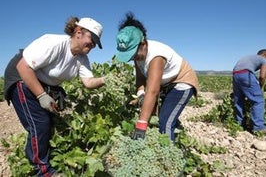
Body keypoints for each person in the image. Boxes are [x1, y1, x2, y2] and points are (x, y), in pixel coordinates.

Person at [4, 16, 107, 176]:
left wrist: (106, 80)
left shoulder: (82, 58)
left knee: (55, 118)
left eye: (96, 43)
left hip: (43, 81)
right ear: (78, 32)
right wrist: (41, 96)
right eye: (91, 39)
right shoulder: (54, 43)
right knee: (40, 124)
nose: (93, 45)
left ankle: (47, 153)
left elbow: (88, 82)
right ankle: (42, 171)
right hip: (21, 77)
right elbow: (23, 66)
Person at [115, 12, 199, 141]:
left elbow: (153, 91)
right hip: (165, 84)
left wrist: (141, 125)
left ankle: (169, 158)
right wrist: (140, 94)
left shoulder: (156, 56)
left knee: (165, 122)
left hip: (181, 82)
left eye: (133, 53)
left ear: (143, 43)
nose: (133, 58)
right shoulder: (138, 55)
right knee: (155, 115)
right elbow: (141, 79)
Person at [232, 49, 266, 134]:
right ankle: (259, 127)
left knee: (239, 101)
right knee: (258, 100)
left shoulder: (249, 57)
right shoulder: (263, 59)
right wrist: (260, 87)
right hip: (245, 74)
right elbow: (262, 77)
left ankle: (239, 125)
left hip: (235, 75)